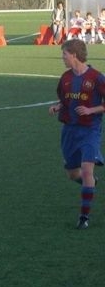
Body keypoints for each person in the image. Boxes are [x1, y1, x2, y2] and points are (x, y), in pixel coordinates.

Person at [48, 39, 105, 229]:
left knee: (87, 170)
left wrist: (91, 110)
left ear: (74, 55)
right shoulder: (65, 78)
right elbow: (65, 100)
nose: (62, 58)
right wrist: (58, 106)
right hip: (70, 131)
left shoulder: (96, 77)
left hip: (90, 130)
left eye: (64, 54)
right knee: (73, 174)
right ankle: (91, 183)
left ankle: (84, 217)